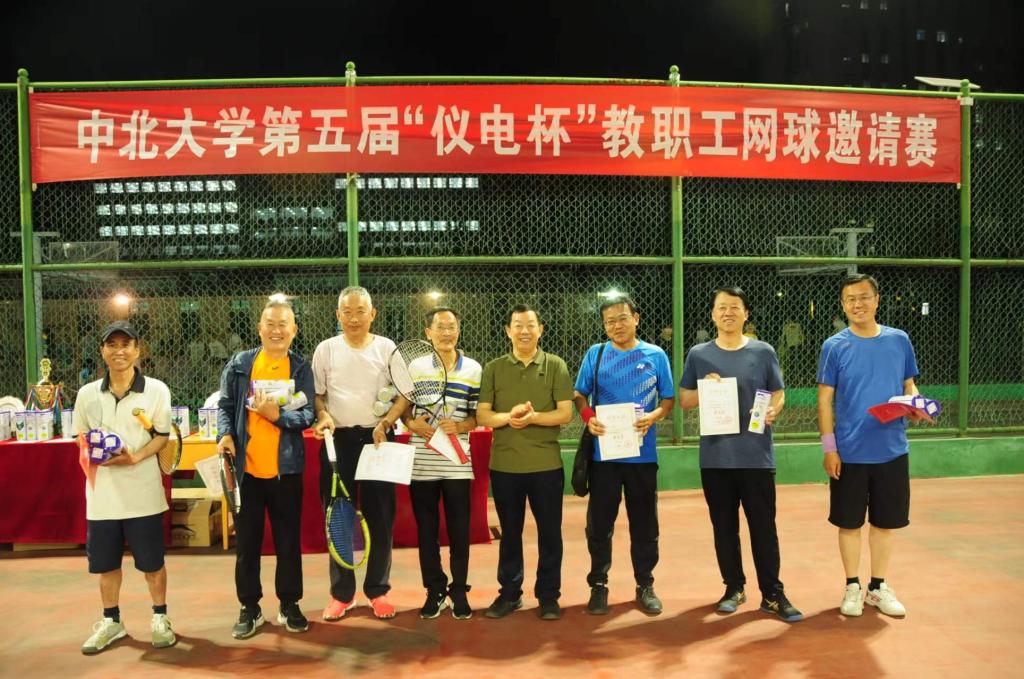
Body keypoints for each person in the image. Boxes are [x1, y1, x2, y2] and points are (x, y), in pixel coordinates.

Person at [679, 286, 803, 622]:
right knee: (724, 528)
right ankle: (733, 587)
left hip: (756, 457)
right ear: (712, 314)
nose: (728, 313)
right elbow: (685, 399)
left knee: (764, 528)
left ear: (746, 314)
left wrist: (774, 410)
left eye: (735, 307)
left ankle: (773, 594)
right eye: (721, 307)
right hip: (716, 459)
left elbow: (778, 393)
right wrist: (705, 389)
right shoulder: (699, 354)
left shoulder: (763, 351)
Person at [817, 273, 928, 618]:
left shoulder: (899, 340)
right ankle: (852, 586)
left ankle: (877, 587)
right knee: (849, 523)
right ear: (843, 305)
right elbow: (824, 400)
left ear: (877, 300)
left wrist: (917, 404)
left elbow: (909, 385)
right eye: (850, 299)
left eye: (864, 297)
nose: (858, 304)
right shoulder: (834, 346)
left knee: (885, 523)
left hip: (892, 449)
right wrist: (829, 448)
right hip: (850, 452)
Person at [73, 320, 176, 654]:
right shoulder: (87, 394)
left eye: (125, 344)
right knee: (106, 565)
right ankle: (111, 621)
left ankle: (160, 617)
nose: (119, 351)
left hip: (143, 494)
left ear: (137, 350)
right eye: (112, 345)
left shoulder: (157, 390)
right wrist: (96, 452)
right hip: (101, 497)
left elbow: (162, 436)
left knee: (152, 563)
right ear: (102, 351)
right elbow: (80, 438)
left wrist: (134, 458)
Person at [217, 295, 315, 638]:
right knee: (247, 545)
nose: (276, 331)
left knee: (288, 542)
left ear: (294, 330)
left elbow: (308, 414)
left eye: (282, 325)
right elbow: (225, 405)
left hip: (286, 472)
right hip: (247, 473)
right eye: (270, 324)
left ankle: (289, 604)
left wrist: (279, 417)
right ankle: (250, 607)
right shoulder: (240, 364)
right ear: (259, 328)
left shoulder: (300, 368)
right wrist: (226, 434)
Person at [573, 296, 674, 616]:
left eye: (622, 318)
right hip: (604, 457)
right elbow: (579, 394)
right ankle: (598, 584)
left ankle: (645, 584)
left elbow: (668, 399)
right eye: (609, 321)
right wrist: (588, 416)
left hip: (642, 457)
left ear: (636, 318)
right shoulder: (596, 354)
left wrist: (654, 416)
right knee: (599, 524)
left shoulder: (656, 355)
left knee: (645, 524)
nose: (616, 326)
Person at [312, 286, 408, 621]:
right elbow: (317, 395)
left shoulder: (387, 348)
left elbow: (403, 395)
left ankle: (378, 591)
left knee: (381, 517)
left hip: (378, 439)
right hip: (338, 442)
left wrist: (387, 422)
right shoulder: (326, 349)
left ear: (373, 314)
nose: (354, 318)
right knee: (338, 519)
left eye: (360, 311)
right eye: (347, 312)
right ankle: (342, 594)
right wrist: (323, 415)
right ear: (338, 315)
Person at [477, 304, 573, 621]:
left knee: (550, 534)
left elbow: (565, 413)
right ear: (508, 331)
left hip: (546, 466)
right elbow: (484, 415)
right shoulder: (494, 368)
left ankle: (549, 596)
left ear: (540, 329)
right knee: (510, 534)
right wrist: (510, 416)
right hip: (505, 467)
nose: (524, 331)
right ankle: (509, 594)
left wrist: (533, 418)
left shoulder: (556, 365)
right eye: (518, 325)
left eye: (530, 325)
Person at [401, 307, 482, 620]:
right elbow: (404, 408)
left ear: (458, 330)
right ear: (428, 333)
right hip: (422, 463)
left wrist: (459, 426)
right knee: (427, 531)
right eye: (440, 327)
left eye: (452, 327)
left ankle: (459, 590)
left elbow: (476, 416)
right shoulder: (415, 367)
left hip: (457, 463)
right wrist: (412, 424)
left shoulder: (473, 369)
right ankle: (434, 590)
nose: (447, 333)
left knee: (460, 530)